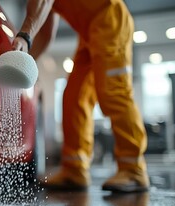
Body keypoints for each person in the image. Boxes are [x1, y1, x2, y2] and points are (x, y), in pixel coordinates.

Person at [13, 0, 149, 192]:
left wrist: (24, 36)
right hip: (90, 32)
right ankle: (74, 170)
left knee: (114, 93)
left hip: (111, 19)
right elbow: (45, 34)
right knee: (74, 98)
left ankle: (133, 169)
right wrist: (22, 63)